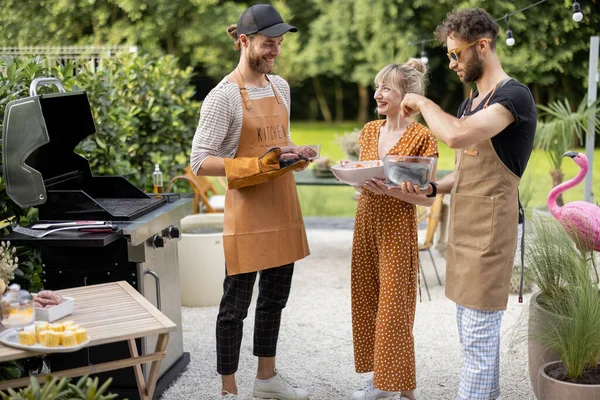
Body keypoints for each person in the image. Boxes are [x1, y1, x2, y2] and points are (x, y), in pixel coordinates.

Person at [399, 8, 537, 400]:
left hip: (491, 232)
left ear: (483, 46)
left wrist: (423, 104)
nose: (451, 63)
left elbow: (457, 138)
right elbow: (466, 173)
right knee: (472, 335)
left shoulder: (513, 97)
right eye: (448, 55)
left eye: (456, 54)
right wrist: (431, 190)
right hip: (464, 230)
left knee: (478, 336)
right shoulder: (469, 104)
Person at [190, 4, 311, 399]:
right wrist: (254, 165)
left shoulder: (281, 88)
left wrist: (296, 153)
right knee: (235, 306)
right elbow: (199, 161)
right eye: (267, 44)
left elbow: (279, 144)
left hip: (283, 205)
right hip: (246, 212)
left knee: (274, 300)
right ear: (243, 42)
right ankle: (228, 389)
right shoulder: (222, 97)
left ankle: (267, 380)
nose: (275, 51)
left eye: (278, 44)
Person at [349, 59, 439, 400]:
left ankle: (393, 386)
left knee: (394, 306)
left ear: (407, 95)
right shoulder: (370, 130)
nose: (378, 93)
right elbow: (362, 176)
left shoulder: (421, 136)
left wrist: (388, 189)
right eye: (378, 86)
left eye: (386, 87)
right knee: (367, 299)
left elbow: (428, 199)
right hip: (365, 220)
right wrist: (357, 181)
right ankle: (388, 382)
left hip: (398, 226)